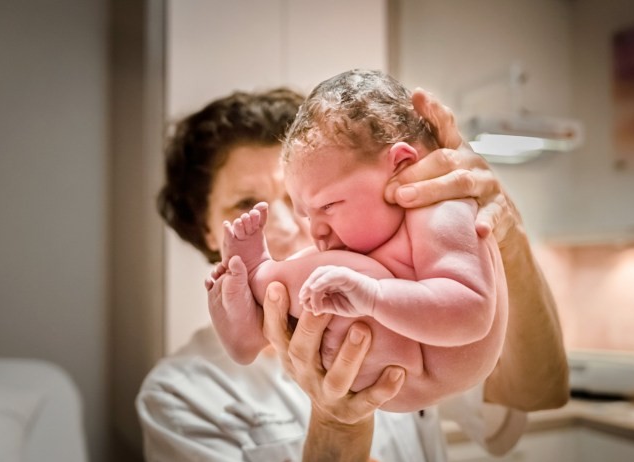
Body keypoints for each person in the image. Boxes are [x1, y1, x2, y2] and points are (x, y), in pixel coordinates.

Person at [138, 86, 568, 462]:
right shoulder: (181, 396)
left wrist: (500, 235)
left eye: (304, 202)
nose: (290, 226)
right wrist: (337, 426)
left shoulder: (407, 292)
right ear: (208, 230)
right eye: (248, 204)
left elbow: (538, 391)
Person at [209, 70, 507, 412]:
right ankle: (252, 326)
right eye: (308, 214)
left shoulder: (443, 210)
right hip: (405, 358)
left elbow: (471, 314)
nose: (316, 230)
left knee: (342, 269)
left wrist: (373, 296)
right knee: (324, 266)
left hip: (428, 360)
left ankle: (257, 279)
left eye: (328, 206)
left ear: (402, 164)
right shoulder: (390, 232)